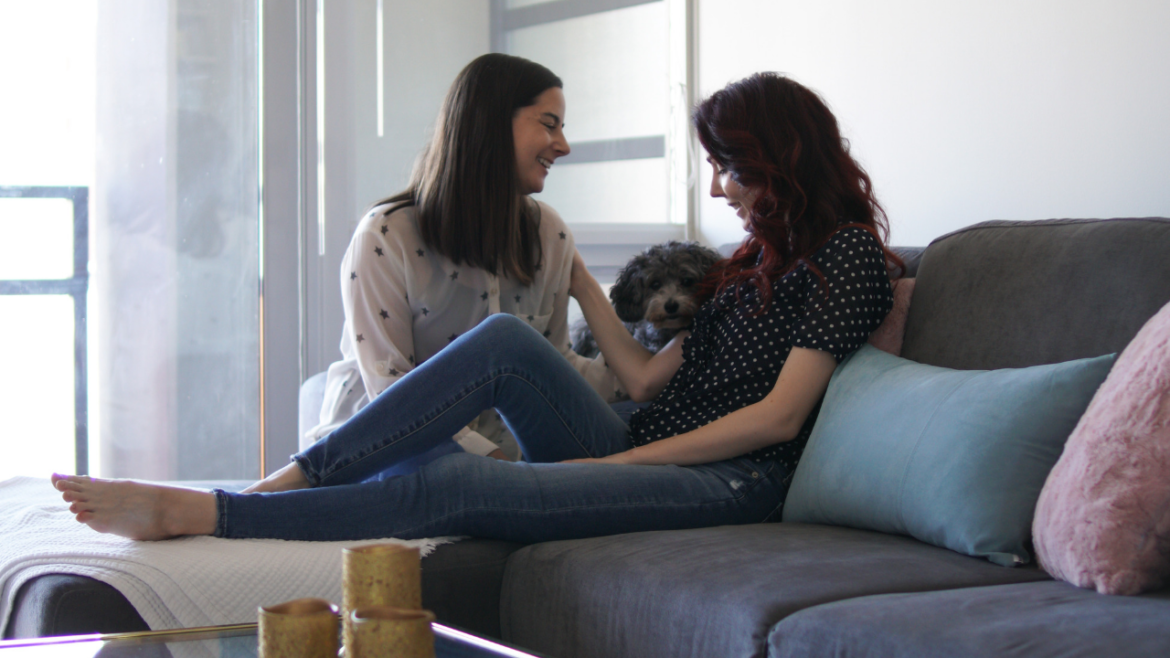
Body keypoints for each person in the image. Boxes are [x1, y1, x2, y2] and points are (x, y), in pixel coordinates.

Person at [52, 72, 900, 544]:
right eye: (715, 168)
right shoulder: (750, 264)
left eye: (733, 169)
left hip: (731, 482)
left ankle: (215, 512)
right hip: (648, 439)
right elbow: (644, 381)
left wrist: (612, 471)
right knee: (500, 342)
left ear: (784, 159)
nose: (720, 189)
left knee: (454, 484)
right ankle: (288, 477)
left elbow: (779, 421)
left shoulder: (848, 258)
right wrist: (580, 285)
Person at [304, 53, 617, 466]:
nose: (563, 145)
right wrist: (493, 464)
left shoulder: (550, 235)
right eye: (548, 124)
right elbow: (392, 388)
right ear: (489, 122)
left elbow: (553, 365)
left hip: (498, 465)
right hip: (382, 450)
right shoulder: (386, 235)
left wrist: (664, 359)